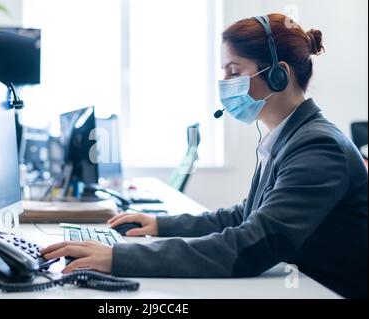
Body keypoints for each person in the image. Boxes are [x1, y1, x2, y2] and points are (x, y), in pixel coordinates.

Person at [41, 13, 368, 299]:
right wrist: (159, 224)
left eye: (233, 70)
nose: (224, 83)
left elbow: (253, 244)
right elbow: (244, 216)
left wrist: (118, 259)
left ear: (278, 74)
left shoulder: (318, 148)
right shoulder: (288, 136)